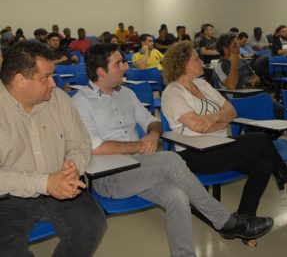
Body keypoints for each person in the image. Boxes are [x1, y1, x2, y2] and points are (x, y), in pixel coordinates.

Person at [72, 43, 274, 257]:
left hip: (140, 168)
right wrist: (139, 145)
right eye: (119, 63)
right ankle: (226, 221)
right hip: (110, 176)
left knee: (177, 196)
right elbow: (97, 147)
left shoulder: (127, 94)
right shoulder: (81, 102)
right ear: (101, 71)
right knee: (170, 159)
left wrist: (152, 134)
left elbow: (152, 121)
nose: (125, 66)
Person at [161, 41, 287, 245]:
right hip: (196, 155)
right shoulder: (173, 92)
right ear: (183, 63)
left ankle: (243, 223)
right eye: (196, 58)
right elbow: (198, 127)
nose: (200, 61)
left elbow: (232, 111)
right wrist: (220, 120)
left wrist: (213, 119)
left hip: (222, 146)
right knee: (260, 139)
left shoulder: (203, 84)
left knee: (264, 165)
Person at [0, 41, 106, 256]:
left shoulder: (58, 100)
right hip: (9, 197)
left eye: (53, 75)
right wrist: (45, 183)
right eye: (45, 78)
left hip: (61, 181)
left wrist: (72, 166)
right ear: (20, 80)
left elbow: (80, 141)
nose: (53, 84)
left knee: (92, 224)